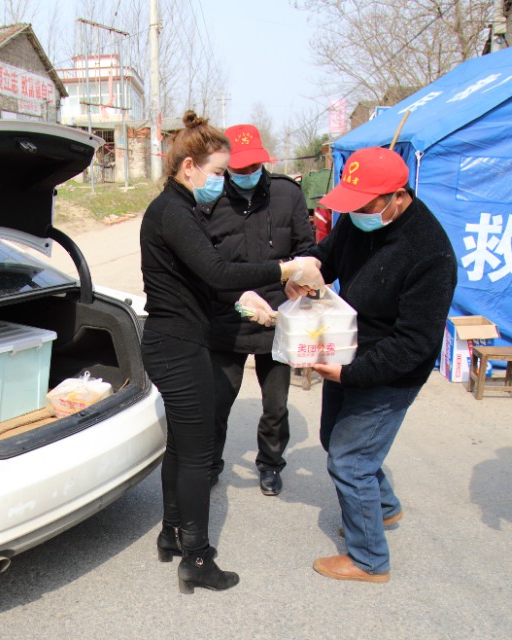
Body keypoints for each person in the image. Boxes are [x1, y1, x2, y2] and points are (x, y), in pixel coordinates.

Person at [140, 111, 324, 593]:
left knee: (182, 447)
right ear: (189, 168)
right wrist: (286, 269)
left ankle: (170, 534)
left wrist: (246, 301)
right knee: (199, 455)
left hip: (177, 338)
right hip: (178, 345)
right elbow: (219, 271)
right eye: (218, 172)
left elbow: (205, 280)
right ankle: (196, 558)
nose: (222, 182)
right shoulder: (174, 213)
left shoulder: (179, 209)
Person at [288, 146, 457, 583]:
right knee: (332, 437)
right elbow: (329, 254)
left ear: (398, 197)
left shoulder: (429, 253)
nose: (356, 212)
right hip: (348, 347)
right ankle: (382, 507)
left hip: (391, 370)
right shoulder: (357, 218)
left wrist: (349, 373)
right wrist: (310, 271)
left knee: (350, 461)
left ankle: (369, 560)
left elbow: (416, 342)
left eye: (365, 205)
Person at [195, 124, 315, 495]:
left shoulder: (286, 194)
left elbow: (307, 249)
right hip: (228, 316)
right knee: (215, 402)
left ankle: (270, 464)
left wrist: (300, 280)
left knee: (276, 404)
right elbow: (203, 264)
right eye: (238, 168)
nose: (246, 175)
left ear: (265, 160)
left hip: (278, 316)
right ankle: (210, 463)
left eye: (252, 168)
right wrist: (236, 297)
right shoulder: (209, 200)